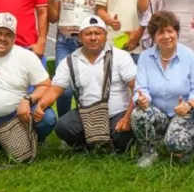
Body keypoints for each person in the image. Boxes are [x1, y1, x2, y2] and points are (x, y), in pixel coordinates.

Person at [37, 15, 137, 154]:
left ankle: (109, 144)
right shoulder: (70, 61)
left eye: (98, 33)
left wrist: (127, 117)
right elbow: (55, 90)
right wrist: (41, 106)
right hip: (87, 115)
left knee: (124, 137)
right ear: (80, 37)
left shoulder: (121, 56)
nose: (93, 37)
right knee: (63, 126)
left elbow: (136, 88)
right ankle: (88, 146)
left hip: (117, 114)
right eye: (88, 33)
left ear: (105, 35)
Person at [0, 13, 57, 158]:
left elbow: (46, 85)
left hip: (18, 114)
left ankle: (30, 141)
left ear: (14, 39)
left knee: (48, 118)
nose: (2, 38)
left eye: (8, 34)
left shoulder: (26, 56)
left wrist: (28, 100)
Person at [132, 11, 194, 168]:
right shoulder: (145, 57)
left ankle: (190, 142)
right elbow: (141, 88)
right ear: (153, 36)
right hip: (159, 113)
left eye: (170, 31)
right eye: (160, 32)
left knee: (175, 144)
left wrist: (189, 105)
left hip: (184, 113)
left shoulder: (189, 56)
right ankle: (149, 152)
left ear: (177, 32)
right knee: (138, 113)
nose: (166, 36)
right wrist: (142, 100)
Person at [47, 0, 99, 117]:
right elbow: (53, 18)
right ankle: (64, 125)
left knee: (86, 88)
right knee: (64, 89)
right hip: (65, 44)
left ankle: (85, 125)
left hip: (88, 45)